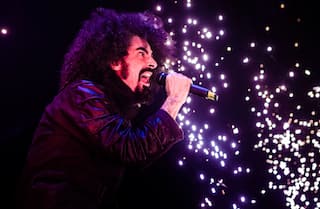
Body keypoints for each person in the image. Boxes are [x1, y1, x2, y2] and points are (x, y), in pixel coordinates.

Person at [18, 7, 191, 209]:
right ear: (114, 60)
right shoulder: (83, 95)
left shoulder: (108, 107)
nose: (153, 63)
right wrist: (174, 100)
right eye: (142, 53)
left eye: (153, 55)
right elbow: (132, 149)